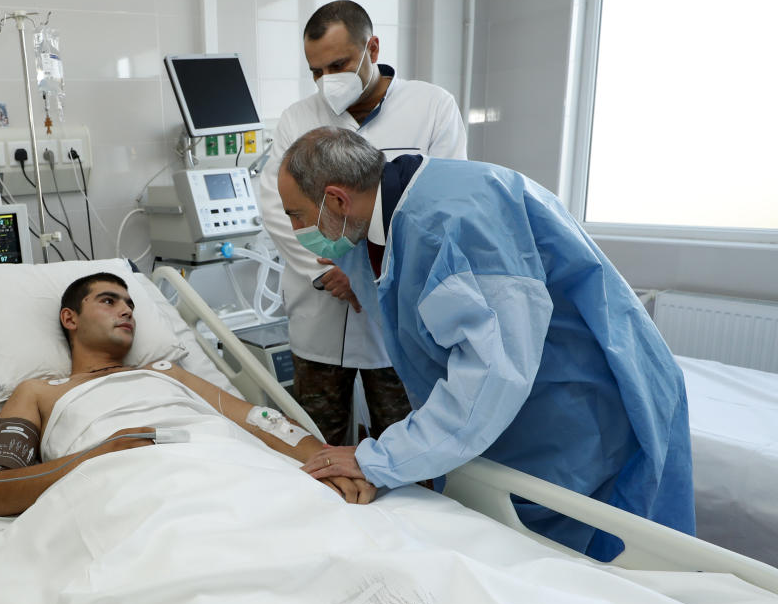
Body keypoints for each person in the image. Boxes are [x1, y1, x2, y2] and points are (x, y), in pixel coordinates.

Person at [277, 127, 695, 562]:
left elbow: (492, 374)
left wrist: (378, 460)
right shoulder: (396, 218)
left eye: (297, 215)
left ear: (338, 199)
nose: (295, 230)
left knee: (586, 566)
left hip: (580, 408)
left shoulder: (449, 225)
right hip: (529, 405)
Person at [0, 273, 376, 516]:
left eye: (130, 304)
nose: (127, 311)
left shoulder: (166, 371)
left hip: (235, 468)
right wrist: (99, 454)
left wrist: (328, 460)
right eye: (108, 301)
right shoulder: (40, 391)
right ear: (70, 318)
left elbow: (261, 421)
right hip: (138, 487)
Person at [258, 0, 467, 446]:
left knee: (406, 445)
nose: (326, 81)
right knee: (316, 445)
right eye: (316, 71)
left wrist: (369, 274)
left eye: (339, 64)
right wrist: (328, 270)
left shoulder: (432, 106)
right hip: (319, 314)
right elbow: (277, 206)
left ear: (372, 47)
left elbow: (436, 209)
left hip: (395, 318)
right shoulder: (298, 117)